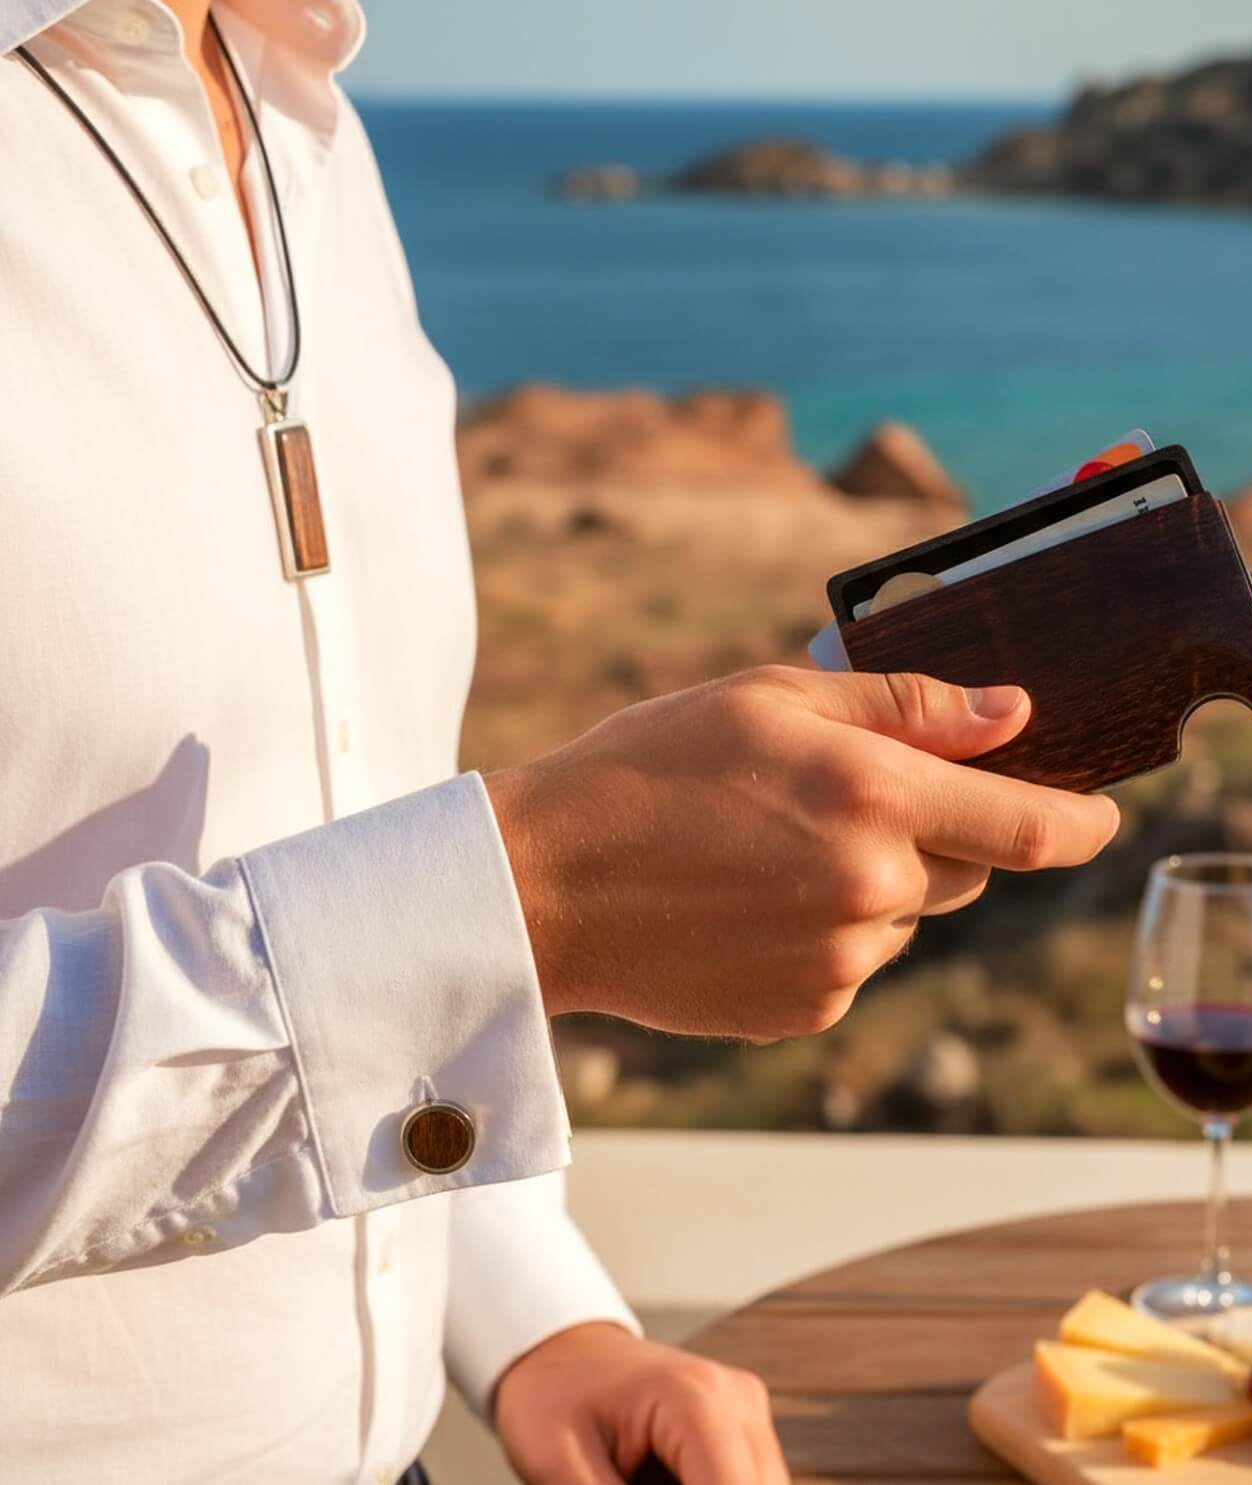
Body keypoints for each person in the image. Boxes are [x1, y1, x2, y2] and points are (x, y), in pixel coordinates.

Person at [0, 2, 1120, 1481]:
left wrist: (533, 1319)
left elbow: (333, 835)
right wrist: (527, 903)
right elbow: (408, 925)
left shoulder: (298, 114)